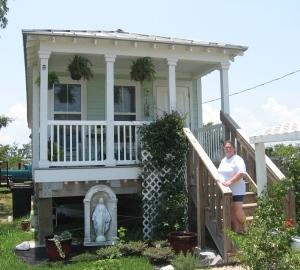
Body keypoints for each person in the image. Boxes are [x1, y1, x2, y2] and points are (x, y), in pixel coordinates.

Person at [218, 140, 246, 233]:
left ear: (234, 149)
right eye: (226, 147)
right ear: (224, 149)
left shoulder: (237, 159)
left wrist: (230, 181)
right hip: (226, 190)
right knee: (230, 210)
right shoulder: (223, 160)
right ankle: (237, 229)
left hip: (237, 189)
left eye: (230, 147)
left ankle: (246, 227)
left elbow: (241, 173)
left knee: (237, 210)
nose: (228, 149)